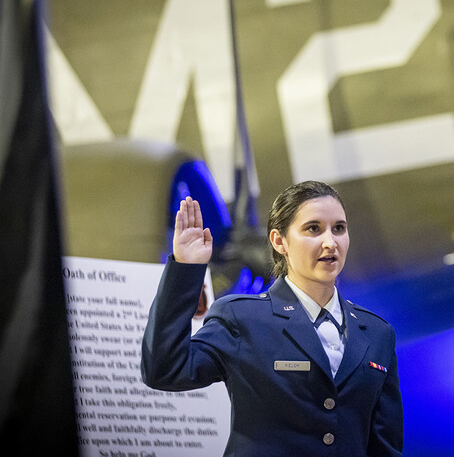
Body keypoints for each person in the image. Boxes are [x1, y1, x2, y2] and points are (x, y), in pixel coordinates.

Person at [142, 181, 403, 456]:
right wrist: (185, 269)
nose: (330, 242)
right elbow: (165, 370)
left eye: (339, 228)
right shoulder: (242, 318)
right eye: (313, 228)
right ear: (280, 242)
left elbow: (385, 446)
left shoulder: (376, 333)